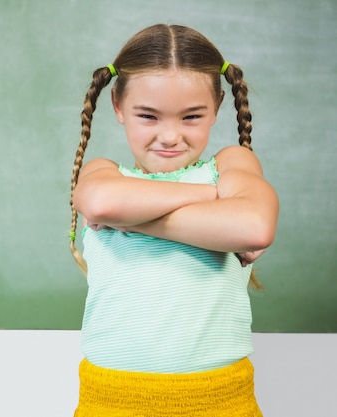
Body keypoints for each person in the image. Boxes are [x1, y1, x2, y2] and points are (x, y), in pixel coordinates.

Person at [68, 24, 279, 416]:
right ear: (117, 105)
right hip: (111, 398)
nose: (169, 136)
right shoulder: (106, 173)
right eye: (148, 116)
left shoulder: (231, 164)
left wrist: (132, 220)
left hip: (219, 398)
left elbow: (255, 225)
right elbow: (98, 203)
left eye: (191, 117)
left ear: (217, 106)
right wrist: (210, 197)